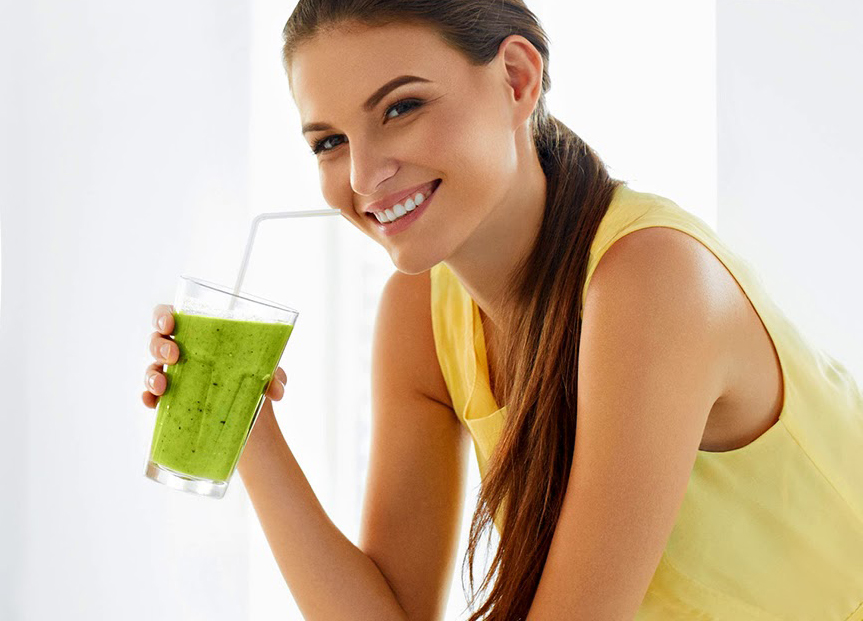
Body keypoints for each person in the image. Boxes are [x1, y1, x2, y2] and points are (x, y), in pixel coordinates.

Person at [141, 1, 863, 619]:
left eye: (401, 107)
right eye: (330, 142)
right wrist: (245, 424)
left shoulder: (651, 280)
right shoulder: (420, 311)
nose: (362, 176)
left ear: (516, 79)